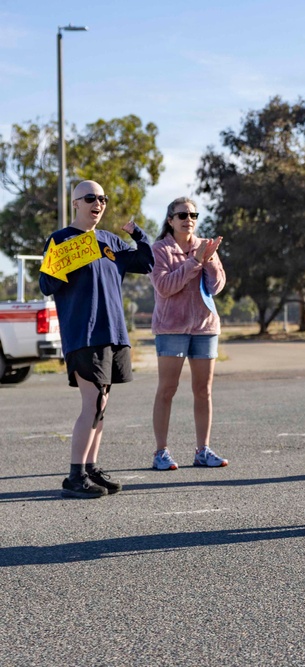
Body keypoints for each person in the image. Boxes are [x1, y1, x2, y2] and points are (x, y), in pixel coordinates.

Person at [39, 180, 154, 499]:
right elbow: (46, 285)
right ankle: (74, 476)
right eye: (90, 197)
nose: (98, 203)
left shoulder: (110, 241)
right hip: (83, 334)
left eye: (102, 198)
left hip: (113, 332)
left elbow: (146, 263)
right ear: (75, 203)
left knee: (102, 404)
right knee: (92, 403)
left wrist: (137, 234)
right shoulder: (60, 240)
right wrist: (64, 261)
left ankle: (90, 469)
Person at [149, 197, 228, 470]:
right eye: (182, 214)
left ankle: (203, 450)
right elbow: (165, 286)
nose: (188, 219)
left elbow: (216, 287)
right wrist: (194, 260)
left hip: (205, 327)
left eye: (193, 214)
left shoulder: (204, 246)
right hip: (171, 327)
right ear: (170, 220)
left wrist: (209, 260)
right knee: (167, 389)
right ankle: (161, 452)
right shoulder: (159, 250)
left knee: (203, 390)